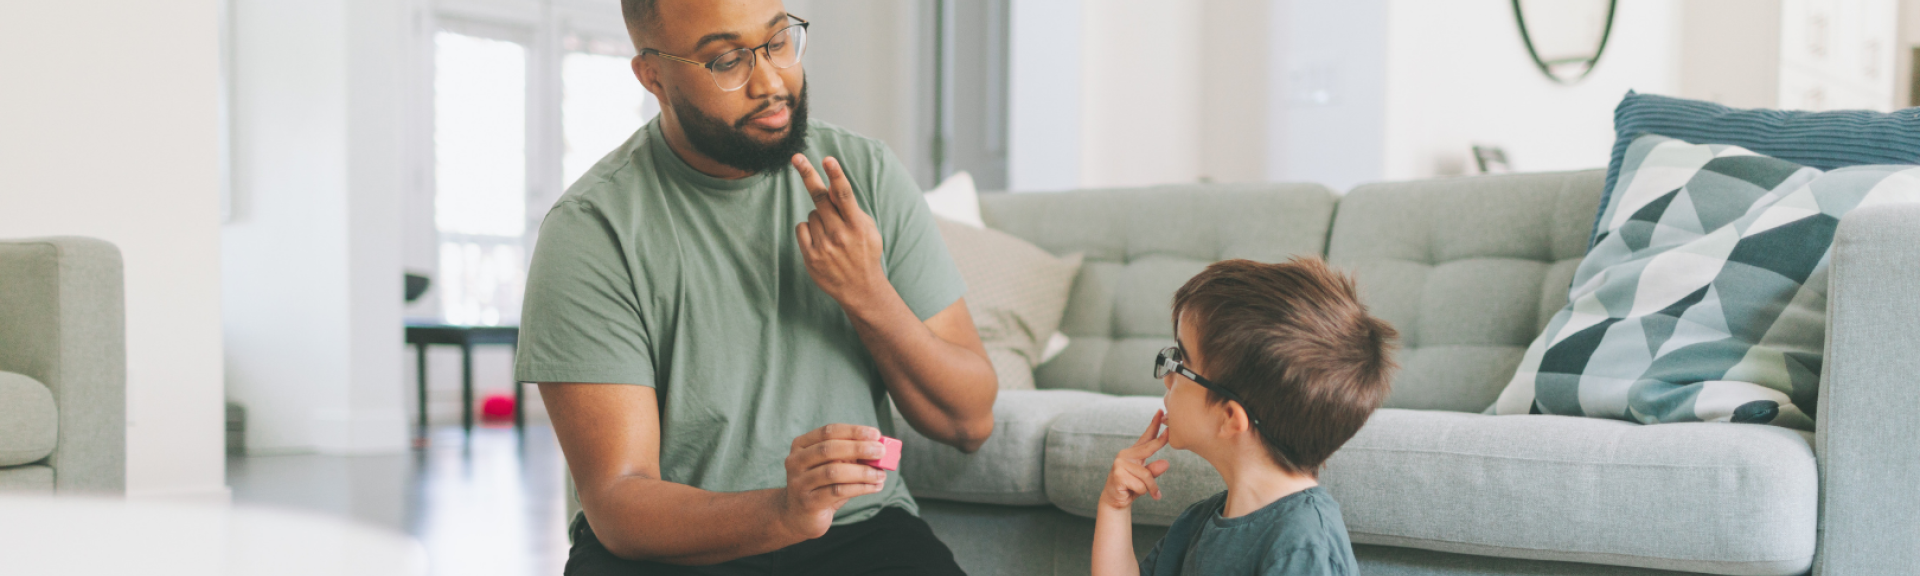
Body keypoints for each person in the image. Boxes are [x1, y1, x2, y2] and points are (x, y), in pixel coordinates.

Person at [513, 0, 998, 573]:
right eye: (725, 61)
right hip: (670, 548)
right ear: (654, 76)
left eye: (777, 42)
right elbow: (618, 498)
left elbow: (970, 422)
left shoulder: (865, 174)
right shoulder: (592, 230)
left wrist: (869, 294)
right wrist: (783, 512)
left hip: (859, 532)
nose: (771, 81)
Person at [1092, 258, 1399, 576]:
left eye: (1181, 362)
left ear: (1230, 417)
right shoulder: (1197, 524)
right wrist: (1114, 508)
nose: (1168, 378)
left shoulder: (1303, 546)